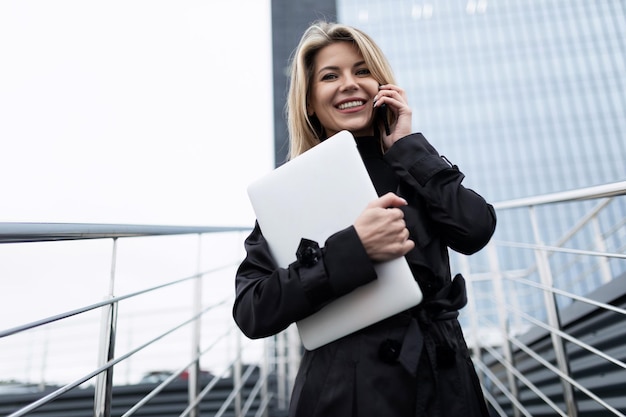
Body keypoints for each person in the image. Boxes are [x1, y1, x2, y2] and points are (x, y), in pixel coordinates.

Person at [233, 21, 497, 417]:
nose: (350, 84)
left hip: (445, 382)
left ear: (383, 85)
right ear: (309, 101)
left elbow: (475, 229)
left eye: (362, 71)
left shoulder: (413, 164)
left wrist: (409, 149)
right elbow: (252, 309)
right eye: (330, 76)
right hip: (349, 392)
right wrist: (353, 249)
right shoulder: (291, 191)